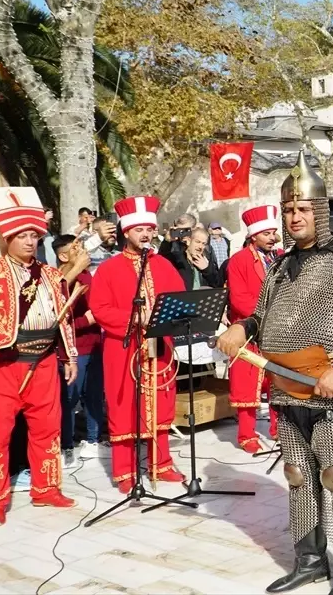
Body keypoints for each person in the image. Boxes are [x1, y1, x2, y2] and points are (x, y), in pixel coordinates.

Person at [215, 151, 333, 594]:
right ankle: (310, 561)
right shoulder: (278, 266)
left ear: (320, 211)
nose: (295, 217)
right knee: (297, 474)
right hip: (285, 387)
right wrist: (241, 327)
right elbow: (260, 317)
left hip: (328, 389)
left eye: (303, 209)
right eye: (289, 209)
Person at [0, 194, 78, 526]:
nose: (29, 241)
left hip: (45, 361)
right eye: (22, 236)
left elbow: (64, 318)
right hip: (3, 363)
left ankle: (46, 489)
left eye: (34, 235)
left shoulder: (50, 274)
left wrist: (70, 356)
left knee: (47, 428)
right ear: (8, 238)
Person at [88, 196, 187, 491]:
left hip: (160, 344)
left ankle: (161, 463)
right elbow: (100, 308)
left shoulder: (164, 265)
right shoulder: (108, 268)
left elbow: (180, 301)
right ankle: (124, 471)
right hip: (124, 346)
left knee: (162, 399)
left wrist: (166, 315)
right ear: (126, 232)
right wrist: (134, 318)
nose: (145, 234)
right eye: (139, 229)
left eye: (149, 229)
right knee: (124, 405)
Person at [226, 205, 283, 453]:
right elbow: (239, 298)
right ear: (253, 236)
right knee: (247, 382)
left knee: (279, 381)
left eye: (273, 232)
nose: (272, 237)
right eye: (266, 233)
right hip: (248, 330)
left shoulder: (281, 257)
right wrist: (268, 314)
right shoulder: (239, 260)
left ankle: (279, 428)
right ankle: (246, 434)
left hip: (278, 329)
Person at [53, 235, 105, 464]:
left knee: (94, 396)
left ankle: (93, 440)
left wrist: (94, 318)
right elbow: (56, 316)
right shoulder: (56, 278)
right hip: (71, 348)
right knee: (69, 399)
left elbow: (97, 309)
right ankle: (66, 445)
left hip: (93, 344)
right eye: (76, 249)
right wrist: (86, 321)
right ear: (63, 256)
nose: (83, 252)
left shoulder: (86, 276)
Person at [166, 226, 225, 290]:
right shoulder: (179, 259)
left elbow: (218, 285)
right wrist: (167, 241)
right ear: (188, 241)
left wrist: (206, 270)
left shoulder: (206, 260)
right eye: (197, 242)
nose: (200, 247)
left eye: (204, 244)